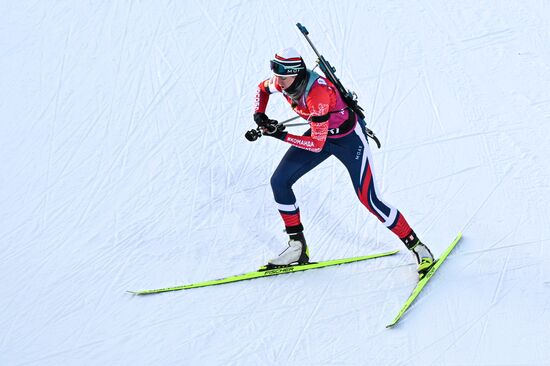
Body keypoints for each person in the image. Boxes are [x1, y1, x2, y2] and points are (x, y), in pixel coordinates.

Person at [253, 47, 434, 276]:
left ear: (296, 74)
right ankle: (297, 247)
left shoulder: (317, 94)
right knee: (279, 181)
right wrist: (259, 114)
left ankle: (417, 246)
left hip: (349, 141)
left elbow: (316, 144)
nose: (278, 81)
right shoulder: (282, 81)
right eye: (276, 75)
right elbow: (262, 89)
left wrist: (279, 134)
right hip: (323, 134)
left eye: (283, 77)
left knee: (369, 199)